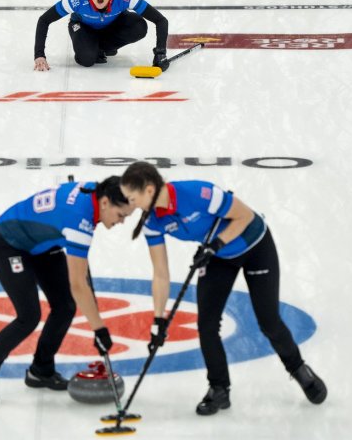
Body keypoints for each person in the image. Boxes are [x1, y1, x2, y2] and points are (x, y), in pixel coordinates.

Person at [118, 162, 327, 415]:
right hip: (217, 257)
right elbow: (161, 274)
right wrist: (159, 319)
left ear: (149, 190)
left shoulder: (197, 193)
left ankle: (298, 369)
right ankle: (219, 389)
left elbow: (245, 217)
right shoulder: (153, 222)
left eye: (132, 198)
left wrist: (216, 244)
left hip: (254, 245)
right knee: (206, 324)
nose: (131, 206)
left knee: (269, 321)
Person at [0, 177, 134, 404]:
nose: (122, 221)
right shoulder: (79, 222)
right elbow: (78, 284)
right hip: (10, 242)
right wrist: (99, 329)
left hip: (43, 245)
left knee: (65, 306)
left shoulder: (97, 192)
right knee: (28, 317)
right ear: (105, 203)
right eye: (121, 215)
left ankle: (41, 370)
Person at [33, 0, 169, 70]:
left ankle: (101, 47)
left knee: (139, 26)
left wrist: (160, 53)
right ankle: (93, 48)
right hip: (83, 27)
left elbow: (161, 20)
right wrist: (39, 55)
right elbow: (44, 20)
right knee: (86, 60)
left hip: (111, 26)